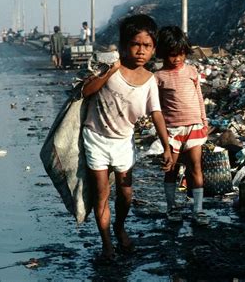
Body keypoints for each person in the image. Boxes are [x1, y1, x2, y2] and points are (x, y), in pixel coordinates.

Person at [81, 14, 173, 263]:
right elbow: (86, 91)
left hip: (123, 142)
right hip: (96, 138)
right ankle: (107, 244)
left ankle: (119, 228)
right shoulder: (112, 69)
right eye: (135, 44)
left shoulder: (150, 81)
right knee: (102, 192)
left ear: (154, 49)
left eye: (147, 46)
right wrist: (109, 72)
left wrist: (167, 146)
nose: (141, 51)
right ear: (123, 45)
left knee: (126, 193)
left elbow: (157, 113)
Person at [154, 26, 210, 226]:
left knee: (195, 167)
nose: (177, 59)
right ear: (162, 54)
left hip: (194, 126)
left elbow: (199, 98)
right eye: (172, 55)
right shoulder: (158, 77)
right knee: (171, 169)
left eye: (181, 54)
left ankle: (198, 210)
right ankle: (171, 207)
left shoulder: (192, 71)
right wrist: (160, 133)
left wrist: (204, 122)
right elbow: (157, 108)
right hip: (172, 130)